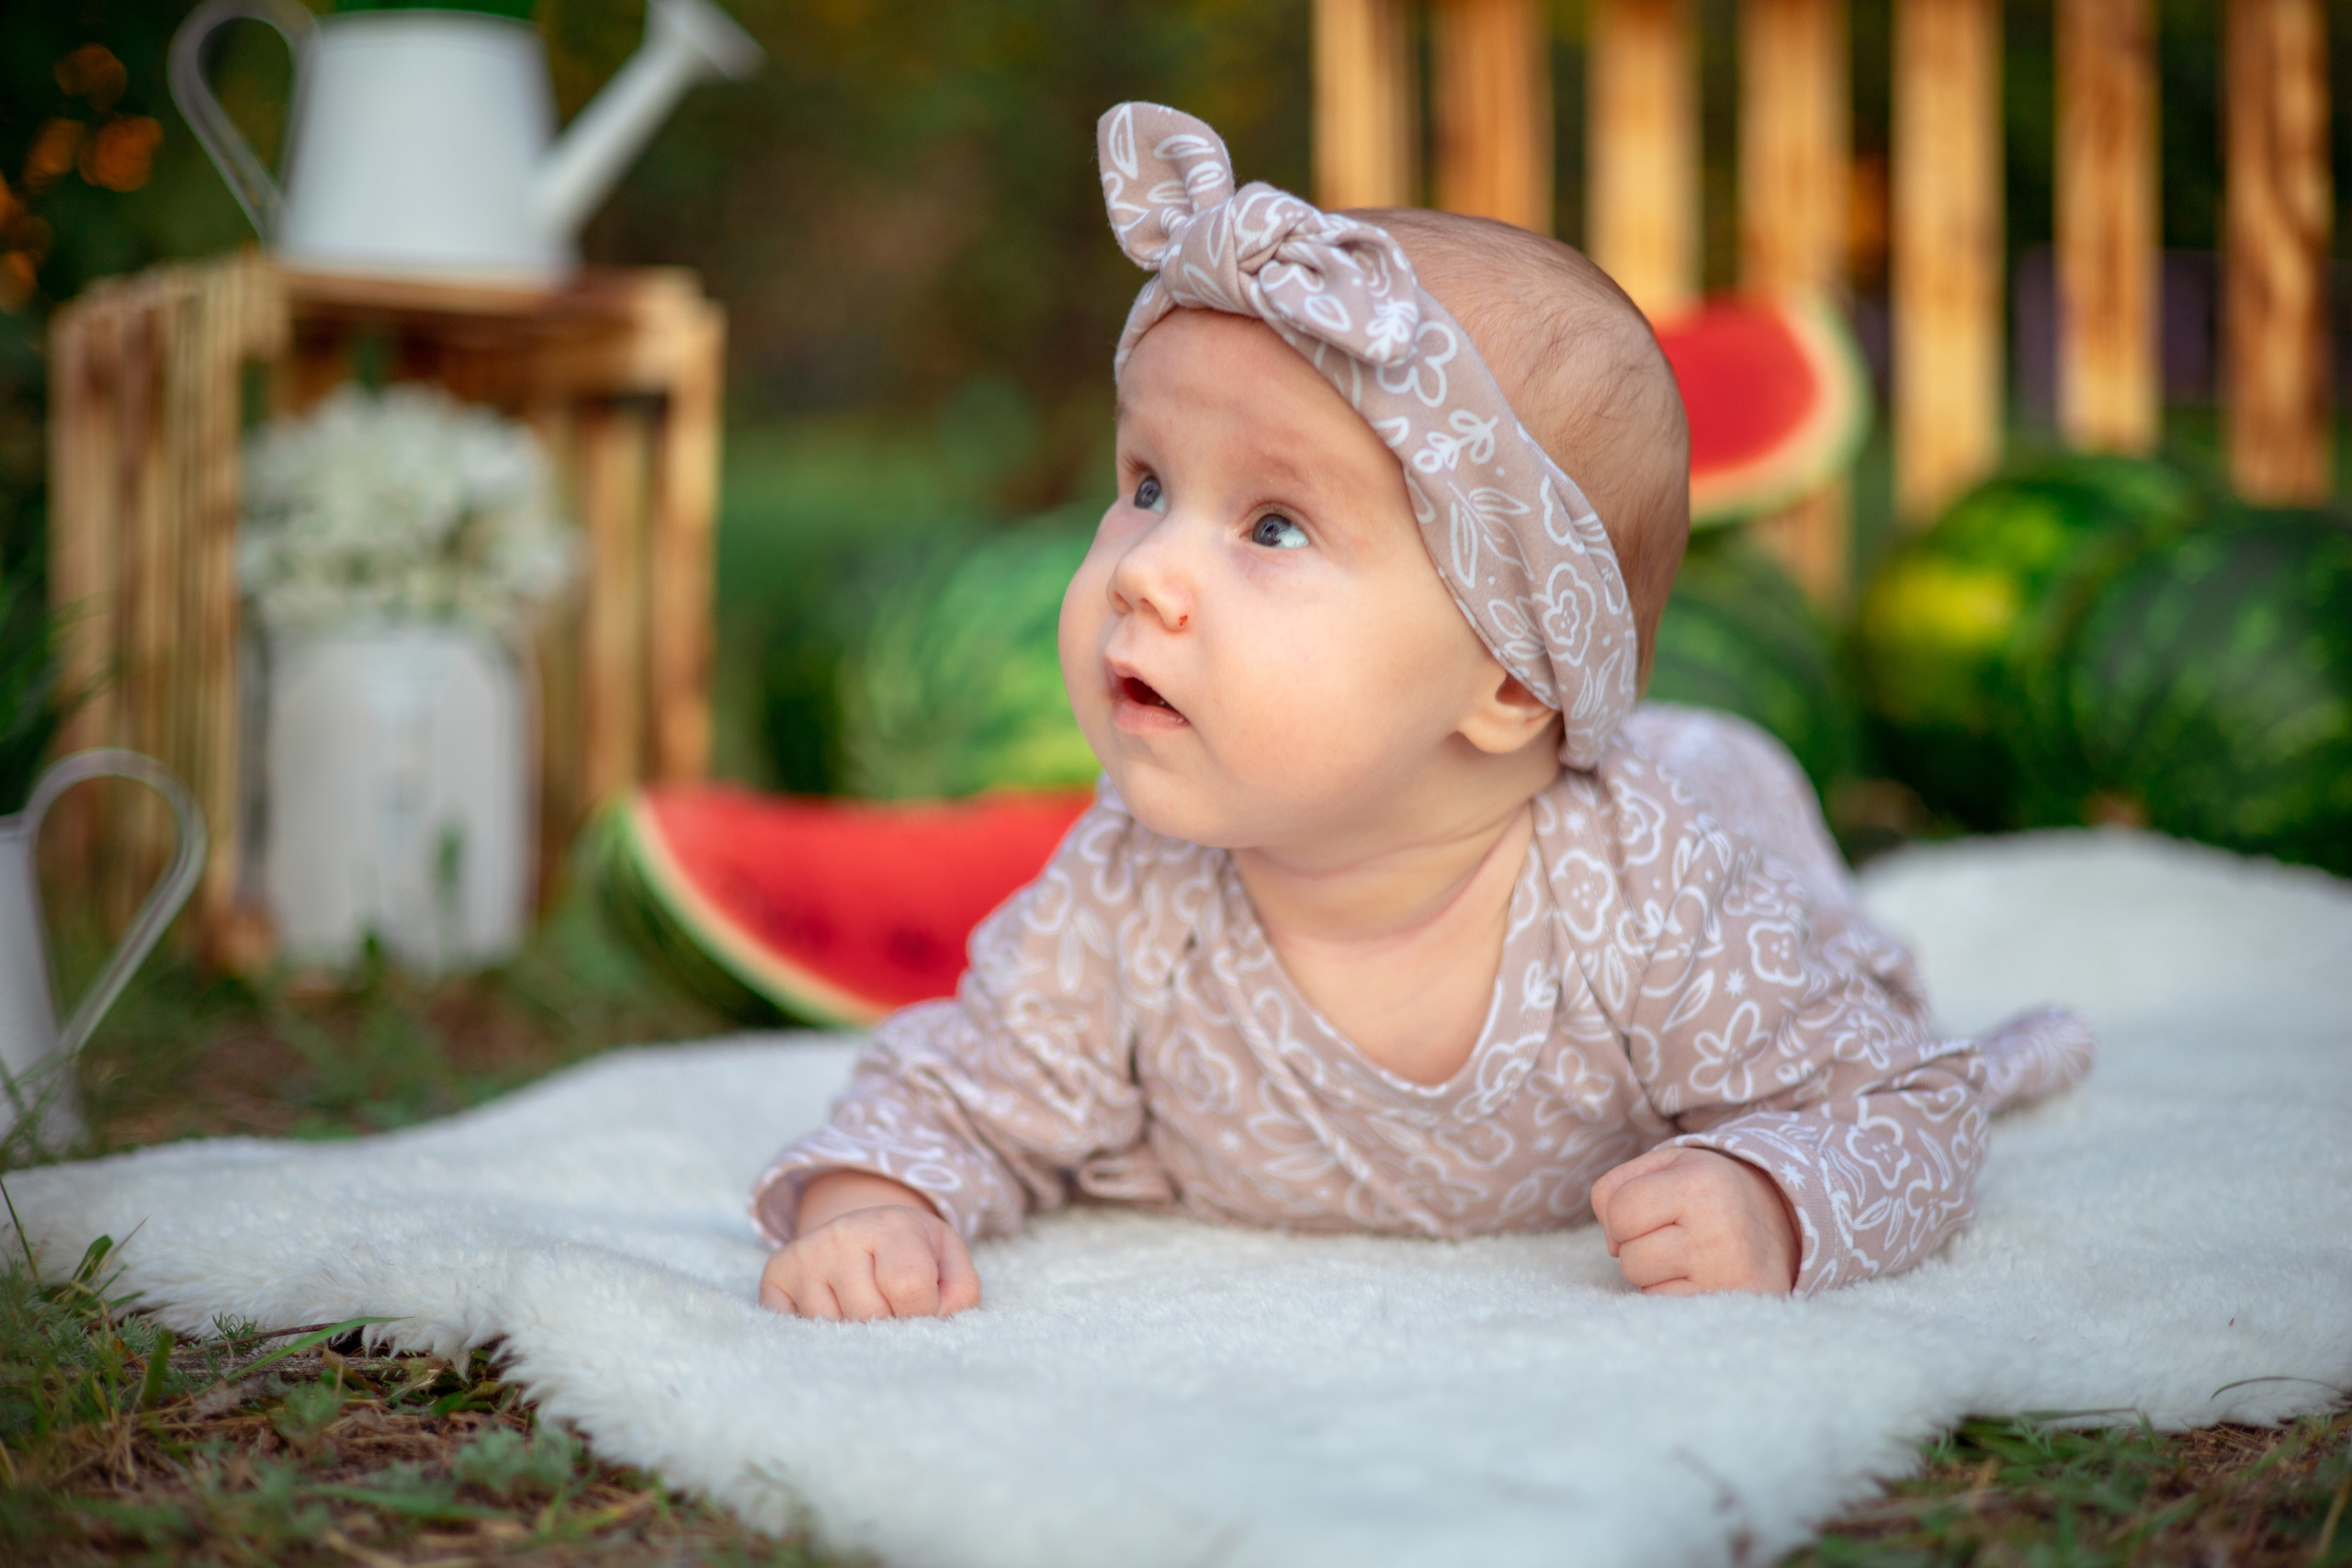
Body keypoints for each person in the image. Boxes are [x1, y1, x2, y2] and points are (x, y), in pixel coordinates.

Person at [750, 103, 2092, 1320]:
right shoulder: (1129, 890)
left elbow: (1901, 1107)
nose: (1146, 570)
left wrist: (1777, 1200)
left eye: (1272, 524)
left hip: (1721, 808)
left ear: (1509, 676)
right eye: (1148, 484)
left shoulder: (1646, 894)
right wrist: (877, 1207)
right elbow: (954, 1096)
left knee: (1791, 898)